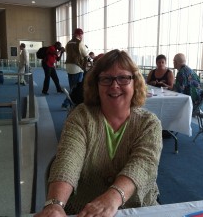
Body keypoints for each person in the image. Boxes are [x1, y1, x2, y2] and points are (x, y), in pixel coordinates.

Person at [35, 49, 163, 217]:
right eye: (106, 79)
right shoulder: (81, 116)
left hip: (138, 209)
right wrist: (55, 204)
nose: (114, 85)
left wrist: (113, 197)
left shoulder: (149, 123)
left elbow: (143, 165)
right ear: (96, 84)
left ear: (135, 83)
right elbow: (68, 160)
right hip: (82, 211)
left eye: (123, 78)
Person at [61, 28, 88, 110]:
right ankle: (66, 104)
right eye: (82, 35)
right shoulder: (79, 43)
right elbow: (85, 55)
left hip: (69, 67)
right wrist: (84, 68)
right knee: (76, 88)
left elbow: (68, 53)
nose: (82, 36)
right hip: (77, 67)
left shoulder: (68, 43)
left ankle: (67, 103)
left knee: (72, 87)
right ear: (80, 35)